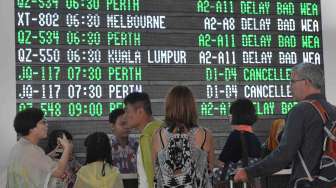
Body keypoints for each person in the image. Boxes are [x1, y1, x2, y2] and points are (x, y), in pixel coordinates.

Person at [234, 63, 336, 188]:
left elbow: (283, 155)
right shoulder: (333, 110)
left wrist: (249, 172)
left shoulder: (300, 110)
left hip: (308, 183)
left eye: (292, 82)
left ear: (306, 82)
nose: (290, 87)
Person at [152, 85, 214, 187]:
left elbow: (155, 172)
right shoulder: (206, 135)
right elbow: (210, 172)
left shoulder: (158, 135)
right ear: (192, 107)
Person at [6, 108, 73, 188]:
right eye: (43, 122)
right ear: (32, 128)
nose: (47, 125)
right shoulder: (32, 150)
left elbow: (35, 162)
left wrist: (51, 154)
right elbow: (59, 172)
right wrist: (67, 148)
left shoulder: (19, 146)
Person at [216, 98, 261, 185]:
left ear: (236, 116)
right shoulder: (254, 138)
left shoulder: (235, 136)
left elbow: (222, 163)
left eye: (231, 114)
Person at [124, 92, 162, 188]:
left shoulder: (147, 135)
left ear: (140, 112)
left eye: (127, 111)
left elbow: (151, 174)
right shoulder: (162, 127)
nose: (125, 117)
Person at [109, 108, 138, 173]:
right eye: (122, 124)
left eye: (128, 123)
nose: (127, 127)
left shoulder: (137, 146)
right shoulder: (106, 147)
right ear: (112, 126)